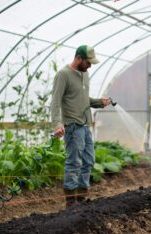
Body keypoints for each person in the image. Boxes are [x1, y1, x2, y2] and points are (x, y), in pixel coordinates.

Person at [50, 45, 111, 207]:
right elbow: (55, 102)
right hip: (72, 126)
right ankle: (71, 202)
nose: (90, 65)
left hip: (85, 126)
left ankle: (82, 199)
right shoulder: (63, 75)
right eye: (88, 62)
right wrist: (57, 123)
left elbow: (84, 99)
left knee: (89, 161)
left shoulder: (85, 74)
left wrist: (100, 102)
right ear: (78, 58)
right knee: (74, 162)